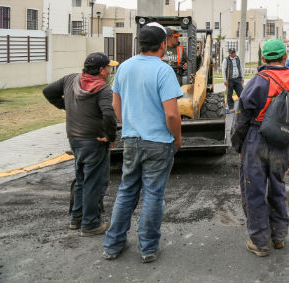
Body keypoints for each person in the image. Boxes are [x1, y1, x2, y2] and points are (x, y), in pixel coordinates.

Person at [230, 39, 289, 256]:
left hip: (255, 139)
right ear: (284, 57)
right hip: (283, 142)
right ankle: (278, 236)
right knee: (277, 186)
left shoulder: (255, 83)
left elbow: (241, 118)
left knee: (254, 189)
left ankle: (260, 242)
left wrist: (238, 145)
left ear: (263, 58)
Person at [103, 22, 183, 263]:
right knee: (152, 195)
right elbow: (171, 114)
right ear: (162, 45)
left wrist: (131, 124)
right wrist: (177, 138)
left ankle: (112, 245)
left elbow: (116, 106)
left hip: (131, 139)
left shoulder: (124, 68)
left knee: (126, 191)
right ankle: (148, 248)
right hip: (158, 143)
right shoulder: (163, 70)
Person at [42, 52, 118, 236]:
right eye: (108, 67)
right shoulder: (103, 89)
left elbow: (48, 91)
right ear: (101, 70)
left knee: (81, 179)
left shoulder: (71, 80)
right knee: (94, 182)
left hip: (75, 139)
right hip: (94, 141)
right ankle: (90, 224)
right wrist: (110, 137)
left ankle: (76, 218)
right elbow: (108, 114)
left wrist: (65, 105)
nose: (109, 70)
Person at [222, 48, 244, 113]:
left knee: (241, 93)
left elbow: (240, 68)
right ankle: (231, 108)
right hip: (230, 80)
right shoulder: (226, 60)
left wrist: (242, 77)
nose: (232, 54)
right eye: (231, 53)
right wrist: (225, 80)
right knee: (229, 94)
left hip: (237, 79)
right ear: (229, 53)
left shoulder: (238, 59)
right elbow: (223, 70)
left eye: (233, 53)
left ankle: (242, 107)